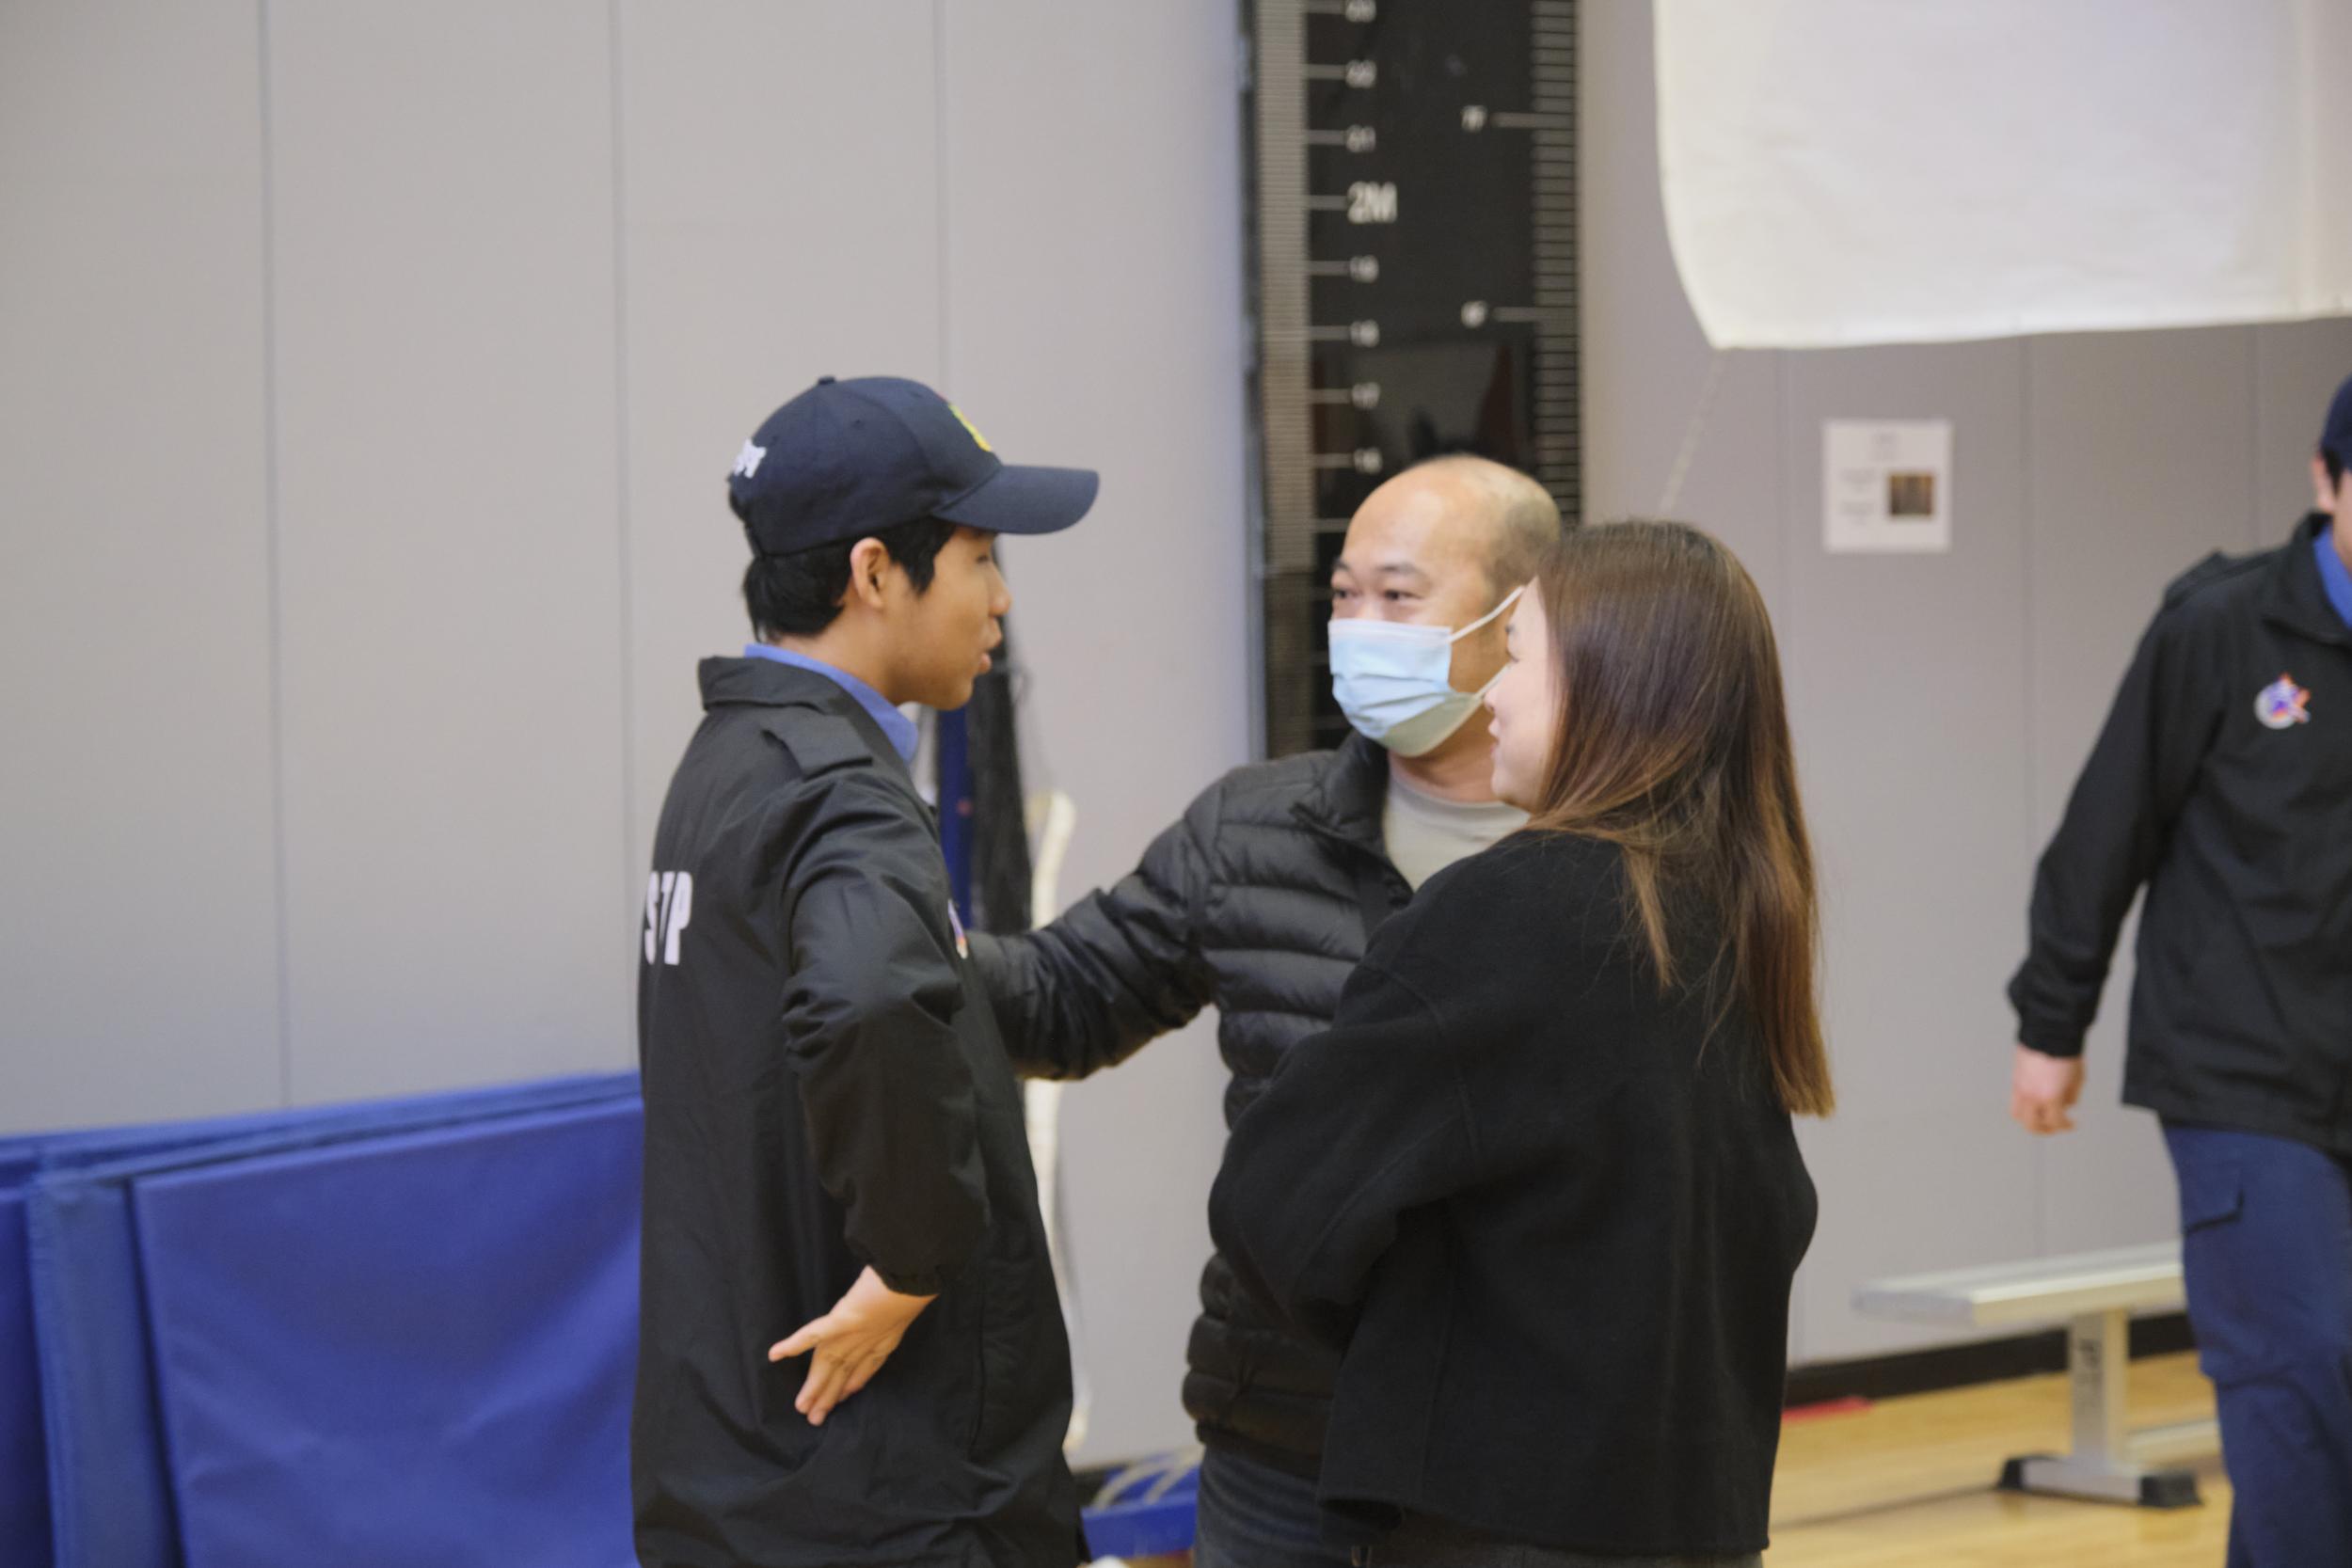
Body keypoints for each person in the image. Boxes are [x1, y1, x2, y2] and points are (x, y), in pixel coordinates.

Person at [968, 455, 1563, 1568]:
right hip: (1286, 1440)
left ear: (1517, 619)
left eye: (1398, 596)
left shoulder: (1599, 854)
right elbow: (1065, 998)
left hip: (1518, 1447)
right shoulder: (1255, 826)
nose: (1360, 626)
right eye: (1343, 594)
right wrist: (913, 949)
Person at [1208, 520, 1832, 1567]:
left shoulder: (1509, 909)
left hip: (1502, 1518)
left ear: (1608, 684)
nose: (1489, 693)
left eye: (1517, 656)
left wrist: (1415, 1338)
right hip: (1694, 1517)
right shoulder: (1730, 909)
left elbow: (1278, 1200)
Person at [631, 375, 1100, 1568]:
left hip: (748, 1479)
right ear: (876, 572)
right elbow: (871, 997)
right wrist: (910, 1261)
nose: (1000, 599)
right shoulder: (836, 792)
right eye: (981, 559)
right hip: (895, 1499)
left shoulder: (728, 758)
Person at [2008, 372, 2352, 1567]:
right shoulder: (2220, 627)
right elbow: (2104, 832)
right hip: (2242, 1072)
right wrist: (2050, 1025)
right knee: (2298, 1365)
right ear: (2325, 480)